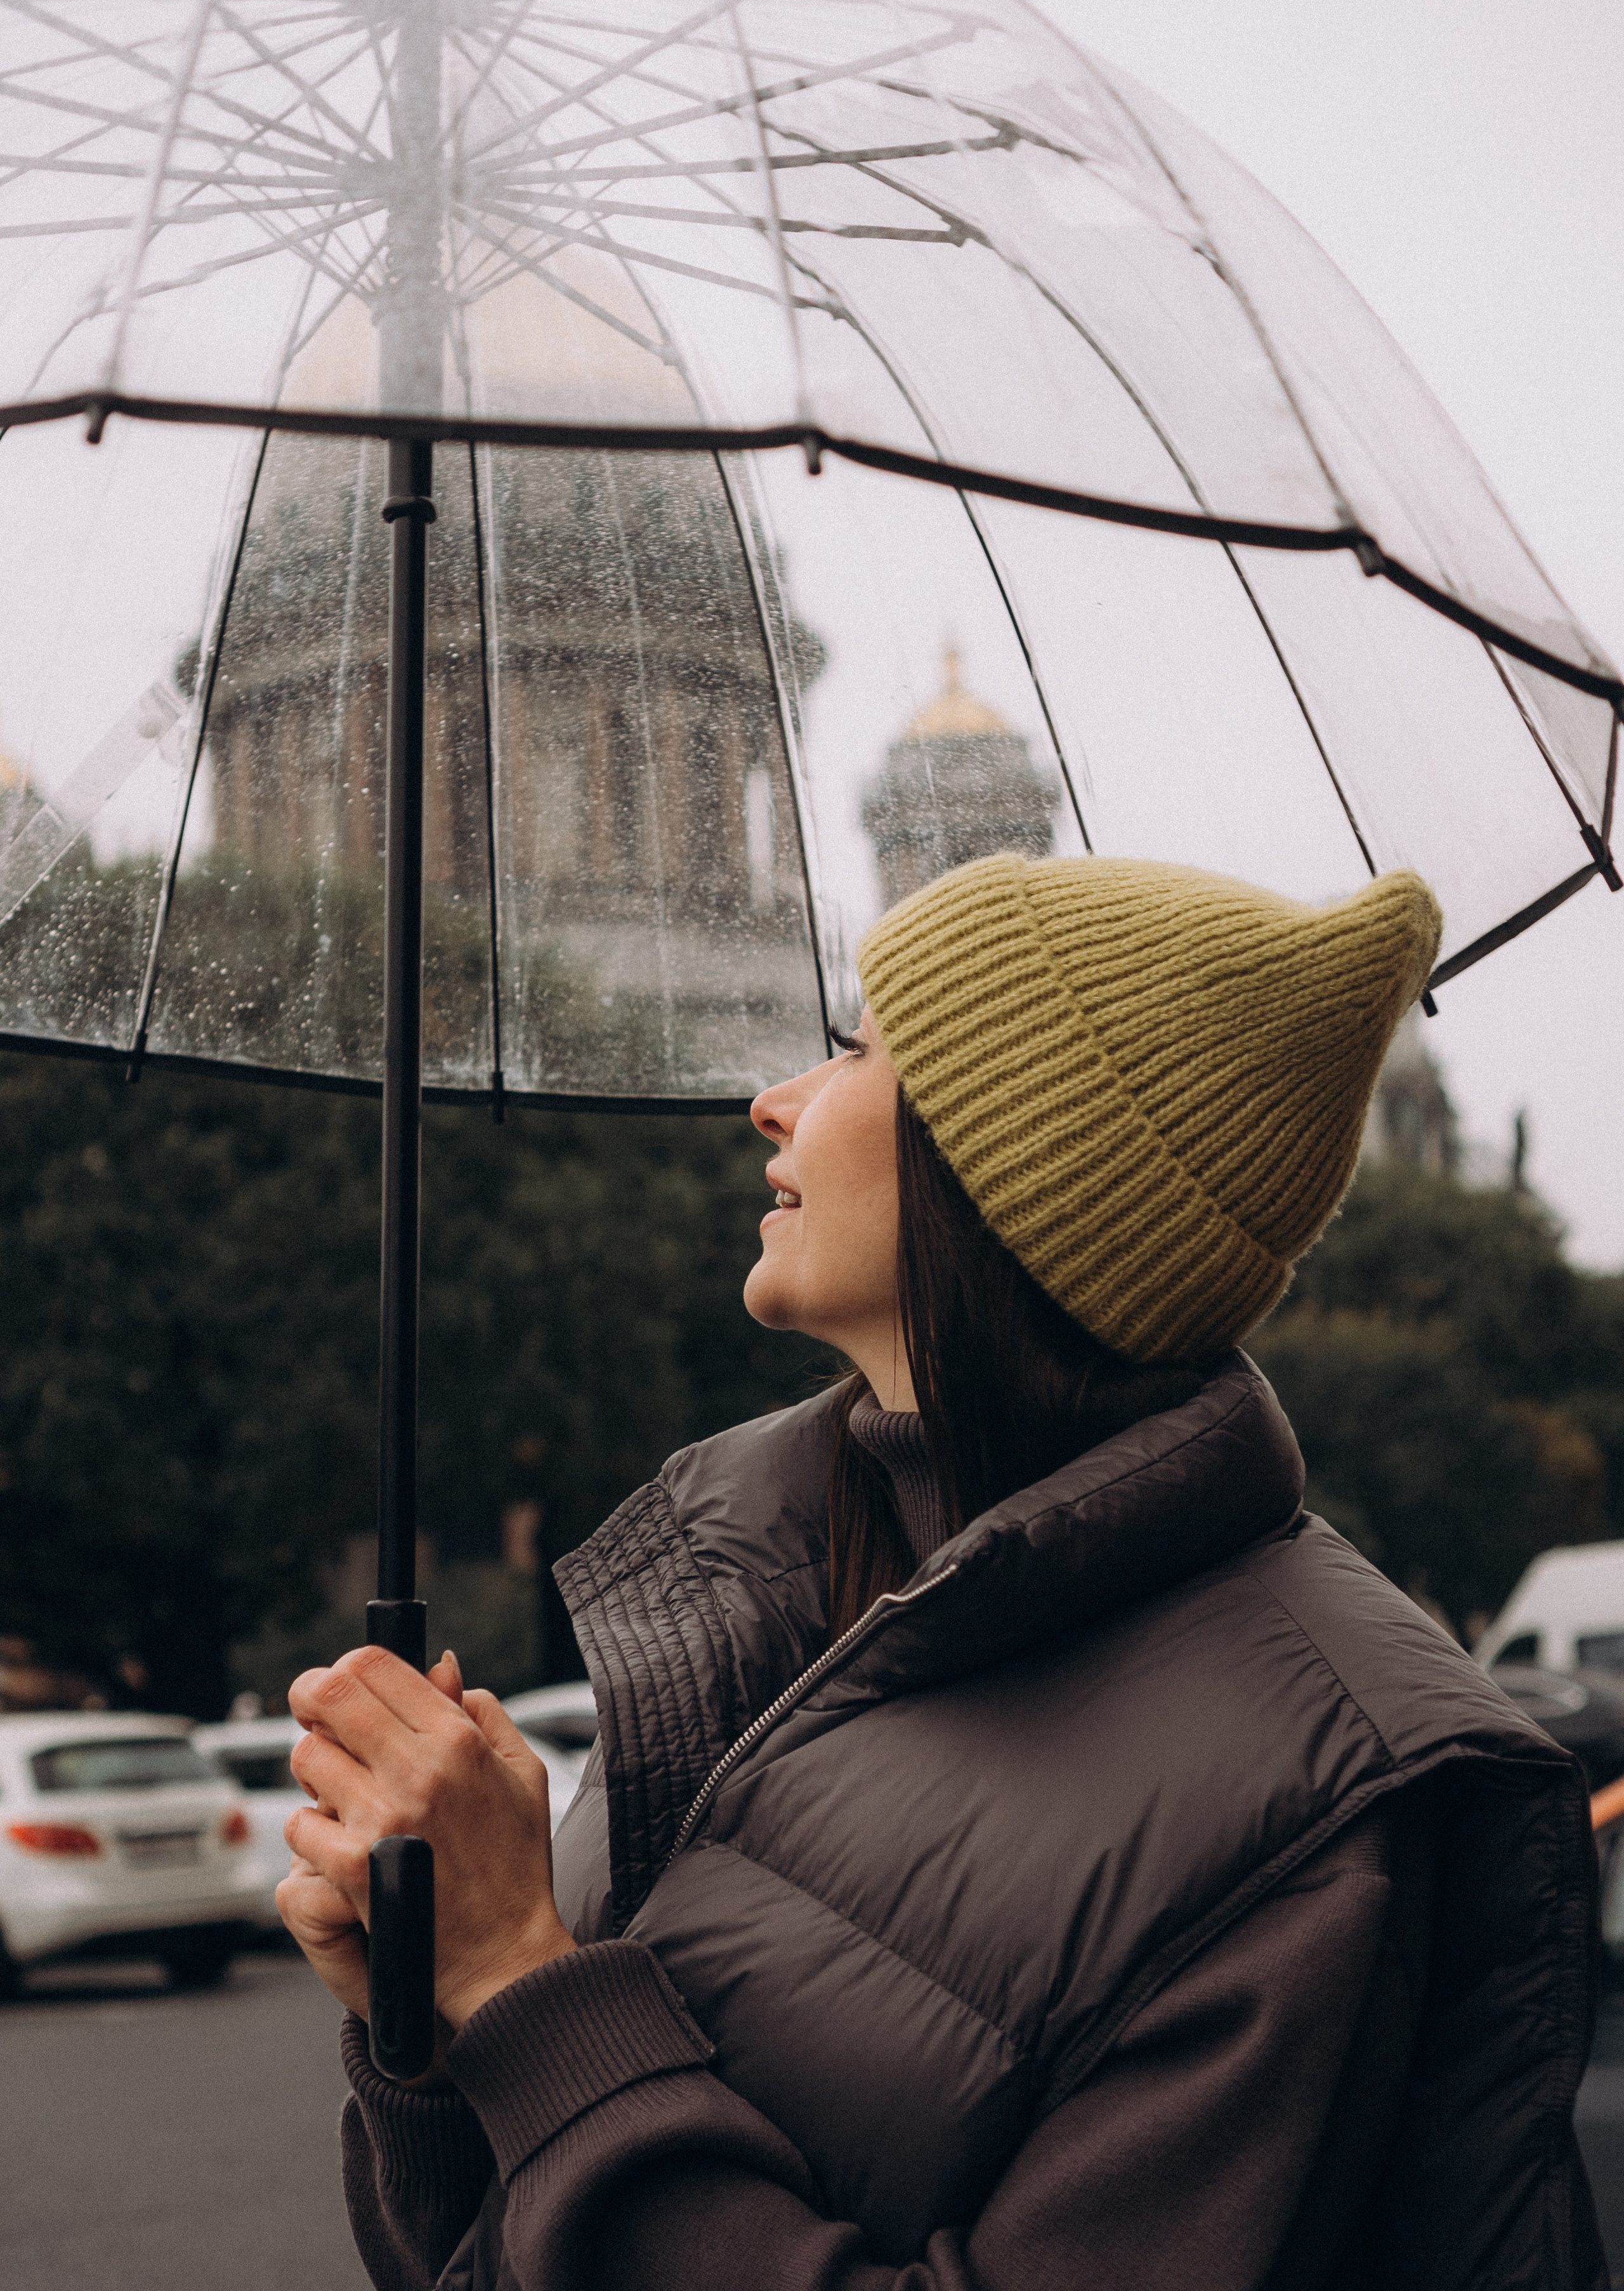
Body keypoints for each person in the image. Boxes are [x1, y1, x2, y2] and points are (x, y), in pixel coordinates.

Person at [280, 852, 1607, 2291]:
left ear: (1018, 1171)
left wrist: (525, 1990)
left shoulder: (1328, 1792)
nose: (773, 1101)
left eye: (857, 1048)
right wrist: (431, 2032)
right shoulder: (770, 1596)